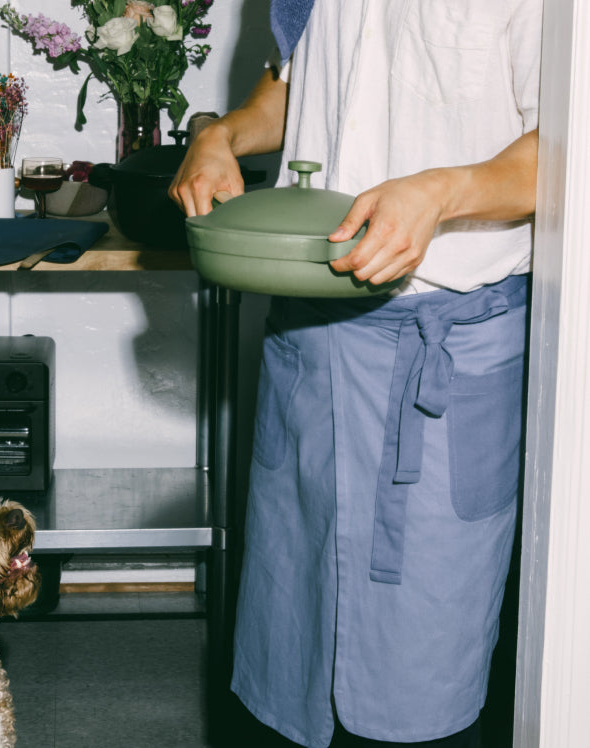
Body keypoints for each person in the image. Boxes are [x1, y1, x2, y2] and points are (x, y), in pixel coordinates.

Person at [169, 1, 542, 747]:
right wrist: (221, 136)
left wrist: (442, 192)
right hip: (311, 336)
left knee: (425, 668)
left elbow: (567, 143)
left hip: (445, 353)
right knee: (290, 642)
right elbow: (299, 85)